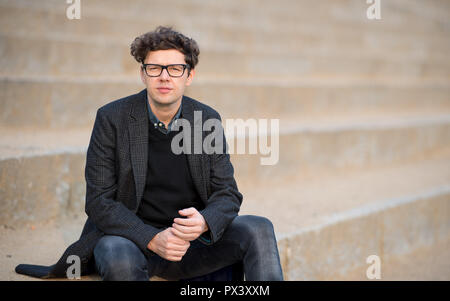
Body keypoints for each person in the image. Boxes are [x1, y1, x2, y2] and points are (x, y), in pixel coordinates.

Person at [15, 26, 283, 281]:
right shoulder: (112, 118)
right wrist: (153, 238)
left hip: (192, 244)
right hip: (133, 242)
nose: (164, 76)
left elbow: (227, 193)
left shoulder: (206, 120)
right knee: (116, 254)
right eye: (155, 68)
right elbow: (99, 202)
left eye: (175, 68)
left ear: (189, 76)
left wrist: (204, 222)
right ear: (143, 74)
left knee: (258, 228)